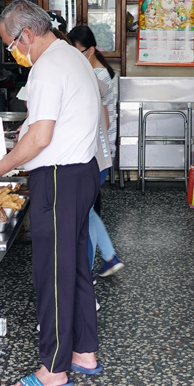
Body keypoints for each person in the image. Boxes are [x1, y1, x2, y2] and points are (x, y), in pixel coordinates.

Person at [0, 0, 101, 386]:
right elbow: (45, 124)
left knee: (53, 273)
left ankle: (53, 369)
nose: (12, 53)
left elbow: (41, 137)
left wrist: (2, 167)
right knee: (75, 266)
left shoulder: (47, 67)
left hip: (58, 177)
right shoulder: (71, 56)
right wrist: (21, 141)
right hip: (81, 174)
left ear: (26, 34)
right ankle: (83, 351)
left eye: (10, 44)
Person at [67, 25, 123, 278]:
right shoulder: (95, 71)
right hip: (98, 151)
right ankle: (107, 258)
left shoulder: (98, 76)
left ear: (89, 50)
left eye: (76, 51)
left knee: (85, 210)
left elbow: (105, 121)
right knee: (87, 210)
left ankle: (92, 266)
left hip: (97, 152)